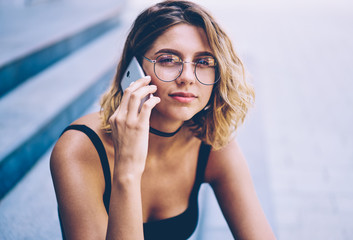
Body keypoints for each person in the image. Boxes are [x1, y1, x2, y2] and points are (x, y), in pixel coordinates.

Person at [50, 0, 276, 239]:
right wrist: (127, 171)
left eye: (203, 62)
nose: (187, 77)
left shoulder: (209, 140)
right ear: (133, 68)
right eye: (168, 60)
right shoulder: (80, 148)